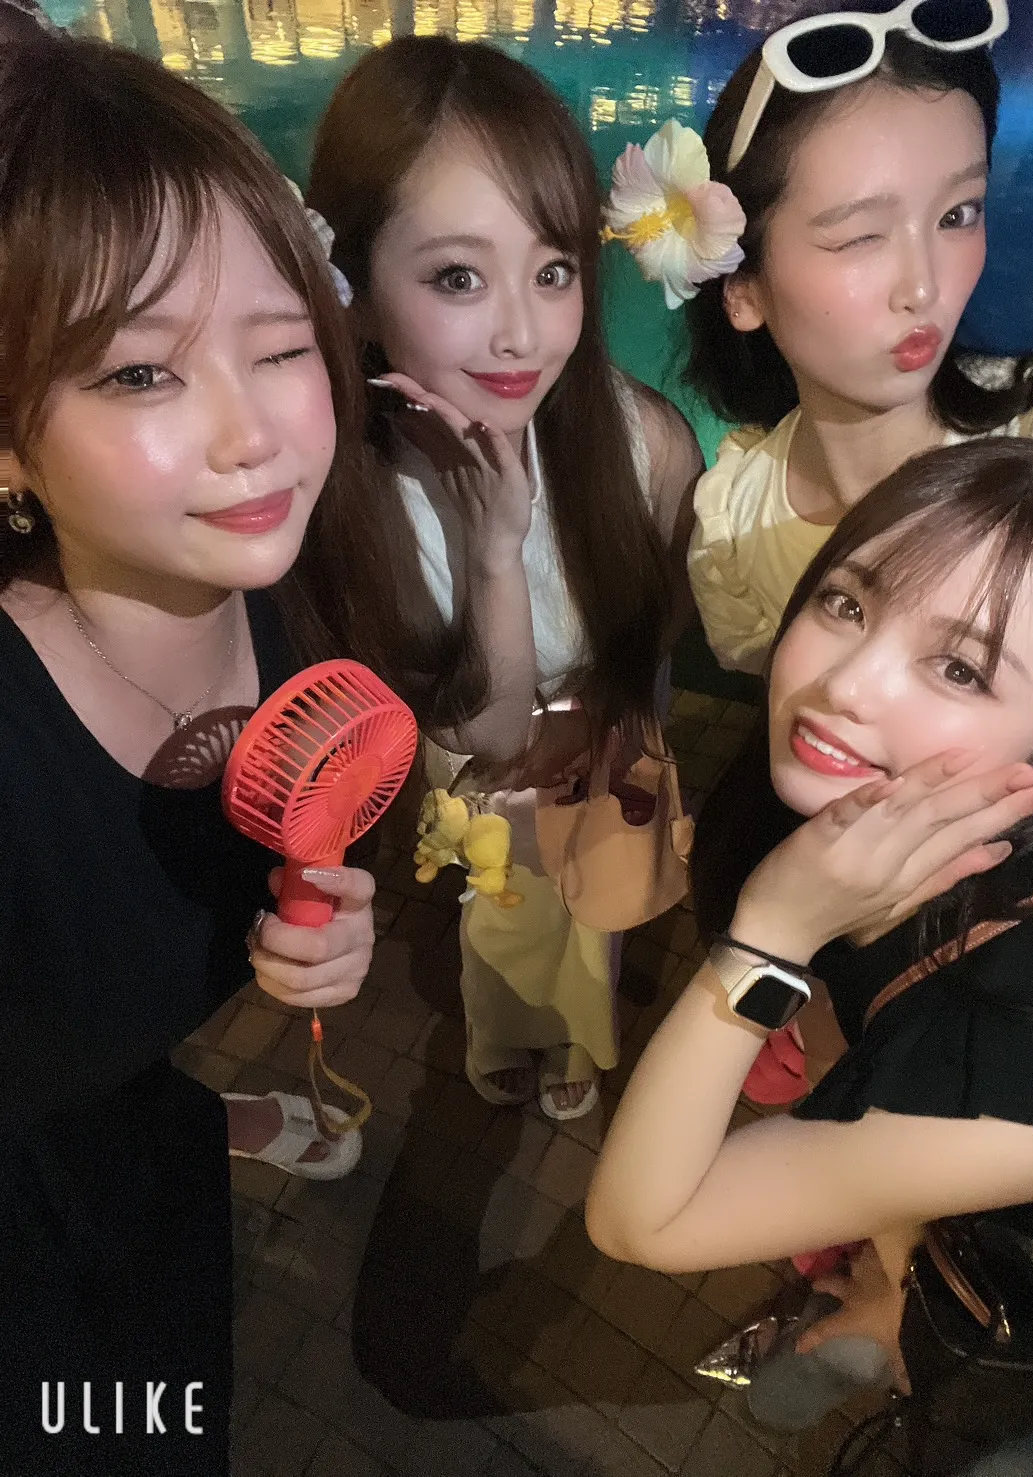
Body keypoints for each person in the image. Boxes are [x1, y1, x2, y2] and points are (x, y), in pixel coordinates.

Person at [0, 37, 380, 1474]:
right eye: (143, 370)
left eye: (281, 347)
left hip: (139, 1141)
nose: (254, 434)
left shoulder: (283, 592)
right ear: (7, 442)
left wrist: (321, 922)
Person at [587, 438, 1033, 1437]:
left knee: (882, 1364)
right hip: (941, 1169)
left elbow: (639, 1219)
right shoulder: (877, 826)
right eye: (846, 603)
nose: (848, 683)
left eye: (959, 667)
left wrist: (768, 937)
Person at [307, 36, 703, 1120]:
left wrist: (615, 710)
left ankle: (579, 1043)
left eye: (553, 269)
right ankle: (505, 1034)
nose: (524, 333)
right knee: (503, 914)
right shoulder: (351, 505)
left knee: (595, 915)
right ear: (352, 291)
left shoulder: (637, 441)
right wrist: (492, 547)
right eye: (458, 276)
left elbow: (666, 613)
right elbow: (485, 736)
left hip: (607, 737)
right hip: (486, 767)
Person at [667, 1, 1033, 674]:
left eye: (957, 214)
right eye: (861, 237)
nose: (924, 288)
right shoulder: (737, 532)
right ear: (743, 288)